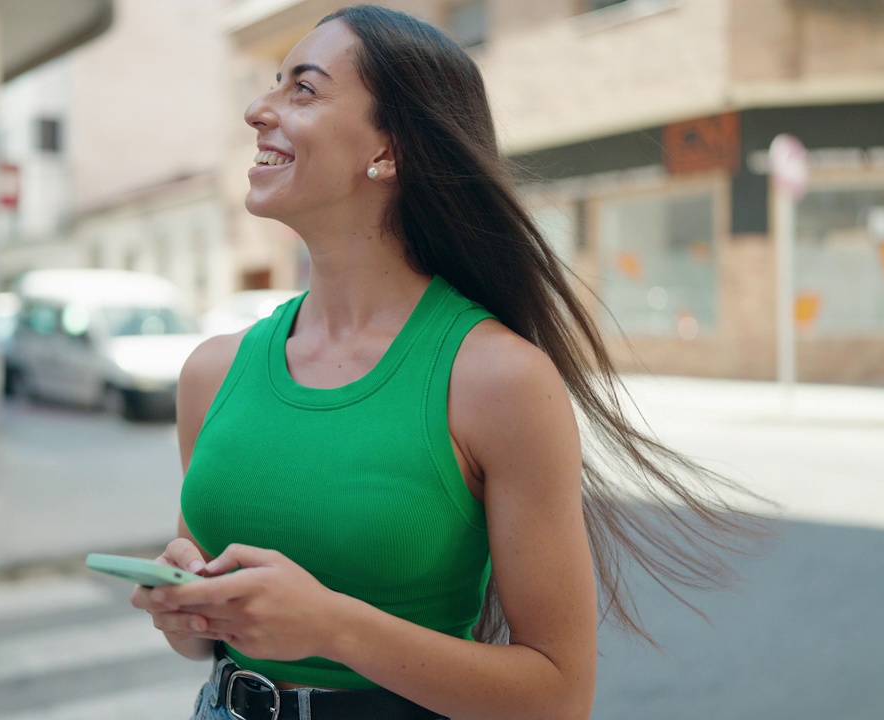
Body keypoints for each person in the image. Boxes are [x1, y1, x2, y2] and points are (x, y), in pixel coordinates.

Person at [131, 5, 761, 719]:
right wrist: (184, 609)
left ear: (390, 149)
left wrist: (333, 628)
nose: (257, 109)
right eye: (272, 84)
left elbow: (558, 696)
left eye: (302, 89)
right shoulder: (212, 372)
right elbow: (206, 633)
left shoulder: (497, 380)